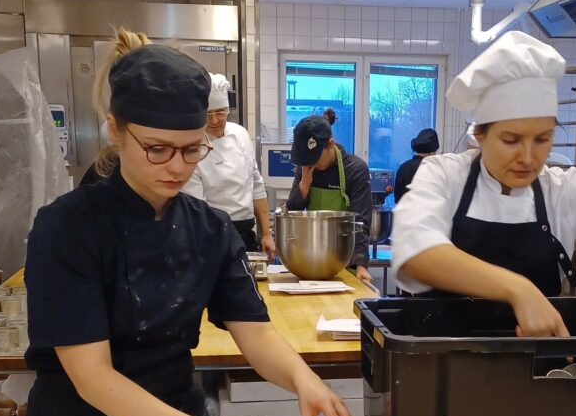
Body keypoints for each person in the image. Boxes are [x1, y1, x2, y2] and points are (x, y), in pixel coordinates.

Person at [23, 29, 353, 416]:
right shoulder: (67, 227)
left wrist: (304, 380)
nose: (177, 167)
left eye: (192, 149)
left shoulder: (209, 228)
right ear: (115, 130)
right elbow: (92, 377)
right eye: (157, 149)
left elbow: (254, 333)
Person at [391, 31, 576, 375]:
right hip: (442, 374)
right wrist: (517, 289)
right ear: (480, 135)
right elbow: (416, 251)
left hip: (539, 378)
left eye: (543, 139)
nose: (528, 157)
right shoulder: (445, 176)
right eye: (511, 140)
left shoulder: (562, 189)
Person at [182, 74, 274, 258]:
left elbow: (256, 186)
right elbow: (197, 208)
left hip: (246, 234)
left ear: (228, 109)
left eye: (220, 112)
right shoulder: (192, 146)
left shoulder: (240, 134)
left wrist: (266, 234)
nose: (214, 120)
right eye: (208, 114)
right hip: (211, 236)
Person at [286, 116, 374, 285]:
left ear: (331, 145)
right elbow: (291, 213)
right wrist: (304, 185)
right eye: (307, 160)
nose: (311, 164)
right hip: (310, 259)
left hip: (344, 261)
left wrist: (361, 266)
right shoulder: (306, 168)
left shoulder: (355, 170)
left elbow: (360, 222)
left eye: (315, 158)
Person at [393, 128, 439, 202]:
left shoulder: (403, 167)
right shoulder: (432, 169)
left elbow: (397, 198)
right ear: (432, 152)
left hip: (404, 209)